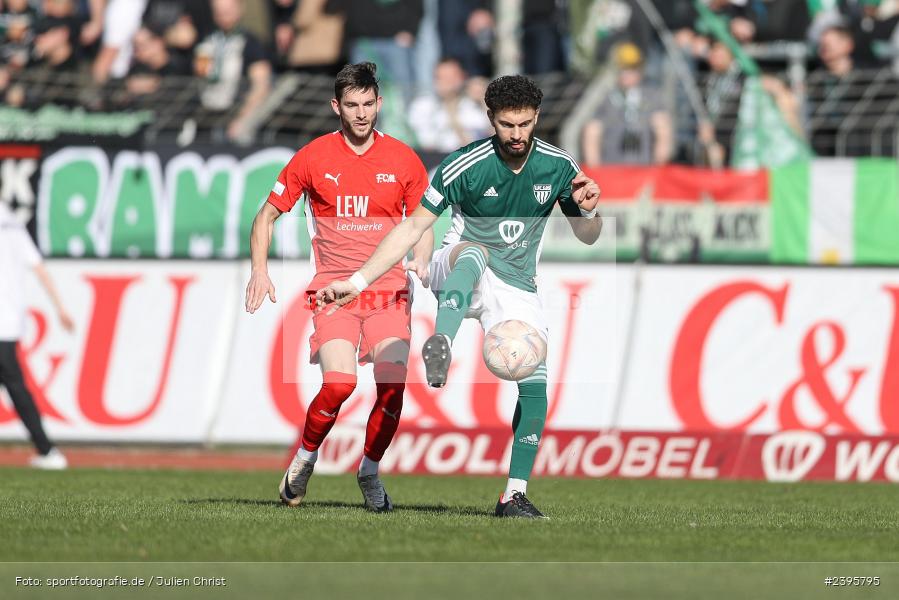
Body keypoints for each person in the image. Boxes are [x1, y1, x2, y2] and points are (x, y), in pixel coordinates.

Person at [317, 75, 601, 519]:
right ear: (490, 119)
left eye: (525, 124)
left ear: (537, 118)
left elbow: (588, 235)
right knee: (474, 251)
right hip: (455, 266)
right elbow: (412, 228)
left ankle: (513, 495)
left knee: (535, 385)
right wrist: (357, 281)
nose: (517, 134)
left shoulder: (558, 165)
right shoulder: (462, 165)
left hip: (516, 285)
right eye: (507, 124)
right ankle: (442, 342)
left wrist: (589, 208)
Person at [245, 62, 432, 512]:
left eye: (368, 104)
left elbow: (421, 223)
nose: (361, 113)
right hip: (334, 291)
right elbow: (266, 215)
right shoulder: (313, 157)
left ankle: (369, 471)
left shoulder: (403, 159)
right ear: (337, 106)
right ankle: (305, 459)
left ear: (379, 103)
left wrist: (422, 257)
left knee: (392, 387)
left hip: (388, 290)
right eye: (352, 105)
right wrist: (259, 270)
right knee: (340, 384)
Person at [0, 203, 73, 470]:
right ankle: (46, 450)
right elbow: (39, 268)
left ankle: (47, 450)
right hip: (10, 322)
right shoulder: (13, 224)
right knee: (15, 385)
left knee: (16, 387)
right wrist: (60, 307)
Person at [581, 42, 672, 166]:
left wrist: (658, 167)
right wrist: (595, 171)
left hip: (645, 166)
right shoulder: (607, 96)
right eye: (623, 68)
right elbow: (592, 129)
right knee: (592, 129)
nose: (627, 74)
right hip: (612, 166)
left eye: (632, 69)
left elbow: (663, 131)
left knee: (661, 123)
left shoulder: (652, 96)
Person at [407, 57, 491, 152]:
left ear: (463, 77)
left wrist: (485, 101)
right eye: (440, 78)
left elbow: (491, 137)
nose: (446, 83)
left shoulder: (473, 106)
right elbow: (426, 144)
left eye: (451, 78)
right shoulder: (422, 105)